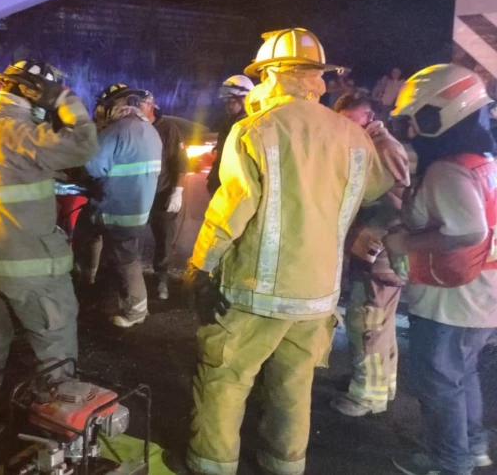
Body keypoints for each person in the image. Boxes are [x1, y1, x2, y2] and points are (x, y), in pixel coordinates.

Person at [182, 28, 392, 475]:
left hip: (255, 294)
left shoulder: (255, 129)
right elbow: (377, 189)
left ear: (272, 74)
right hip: (317, 296)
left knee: (225, 381)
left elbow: (231, 209)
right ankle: (284, 465)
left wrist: (201, 265)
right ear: (316, 76)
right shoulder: (353, 137)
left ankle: (211, 466)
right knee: (293, 387)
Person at [0, 60, 98, 436]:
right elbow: (85, 144)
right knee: (56, 338)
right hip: (32, 268)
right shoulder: (19, 132)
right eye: (45, 97)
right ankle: (57, 429)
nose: (47, 107)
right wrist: (65, 99)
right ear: (30, 93)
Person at [385, 64, 497, 475]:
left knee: (438, 383)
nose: (413, 130)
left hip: (450, 301)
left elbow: (468, 229)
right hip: (482, 293)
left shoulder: (448, 169)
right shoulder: (484, 159)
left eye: (421, 118)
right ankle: (470, 447)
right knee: (461, 376)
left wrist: (405, 242)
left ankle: (450, 463)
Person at [330, 92, 411, 417]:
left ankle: (366, 397)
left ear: (368, 116)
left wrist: (372, 233)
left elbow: (399, 202)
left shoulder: (382, 148)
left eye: (350, 120)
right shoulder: (374, 145)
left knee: (366, 321)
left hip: (378, 254)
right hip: (379, 252)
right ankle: (381, 385)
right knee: (379, 323)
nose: (344, 128)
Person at [79, 84, 162, 328]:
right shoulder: (150, 130)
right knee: (112, 246)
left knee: (124, 258)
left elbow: (93, 167)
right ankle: (92, 281)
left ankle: (135, 311)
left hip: (115, 207)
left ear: (114, 106)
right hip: (138, 207)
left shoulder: (116, 131)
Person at [141, 100, 189, 300]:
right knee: (130, 238)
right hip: (139, 194)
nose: (136, 108)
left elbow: (180, 161)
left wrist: (177, 190)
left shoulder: (168, 128)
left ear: (151, 106)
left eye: (140, 104)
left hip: (161, 194)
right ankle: (130, 280)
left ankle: (162, 279)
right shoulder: (136, 128)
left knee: (164, 240)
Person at [207, 75, 254, 196]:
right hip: (224, 187)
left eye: (231, 102)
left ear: (245, 100)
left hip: (239, 189)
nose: (227, 106)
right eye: (225, 102)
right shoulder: (228, 124)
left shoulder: (251, 127)